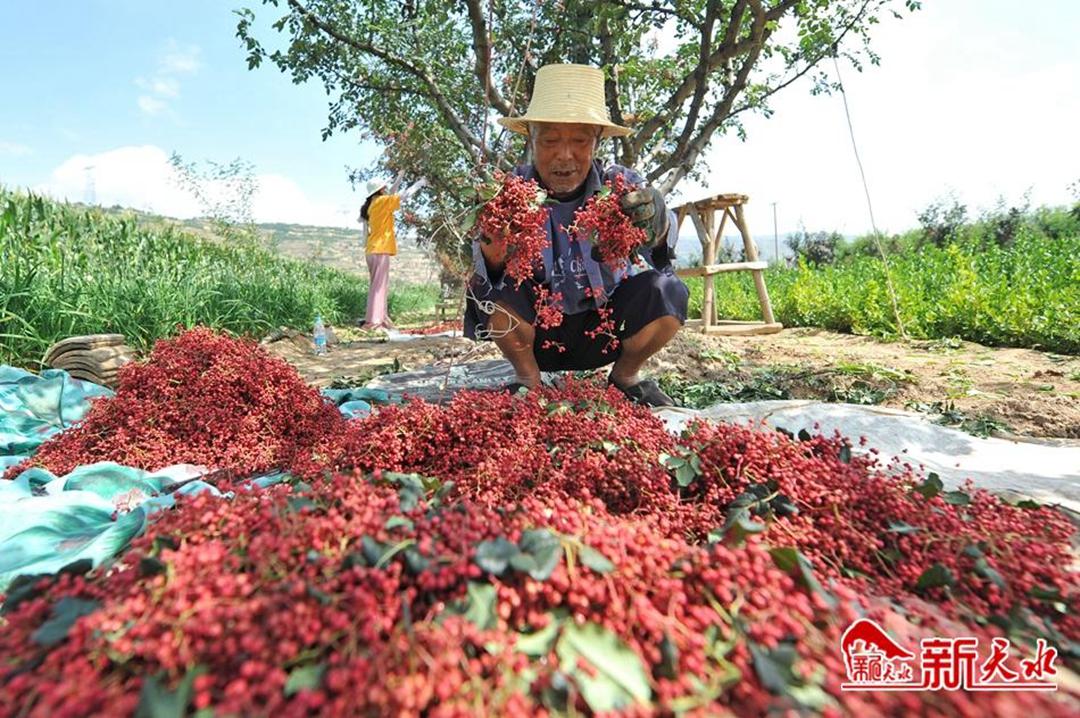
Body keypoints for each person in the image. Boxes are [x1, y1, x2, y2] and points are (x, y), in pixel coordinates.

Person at [465, 63, 689, 407]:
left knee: (667, 290)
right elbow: (486, 271)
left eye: (580, 141)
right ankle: (527, 379)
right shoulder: (509, 196)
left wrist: (657, 226)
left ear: (597, 142)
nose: (564, 155)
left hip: (605, 333)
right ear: (532, 140)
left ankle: (625, 376)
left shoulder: (621, 188)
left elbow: (661, 250)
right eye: (551, 140)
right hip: (535, 337)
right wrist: (494, 252)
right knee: (484, 286)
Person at [358, 171, 426, 329]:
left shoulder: (373, 205)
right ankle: (374, 321)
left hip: (371, 250)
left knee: (377, 285)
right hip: (380, 250)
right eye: (384, 187)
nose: (387, 188)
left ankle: (380, 318)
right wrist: (419, 183)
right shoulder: (382, 202)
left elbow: (392, 194)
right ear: (380, 190)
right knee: (379, 286)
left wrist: (400, 177)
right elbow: (404, 195)